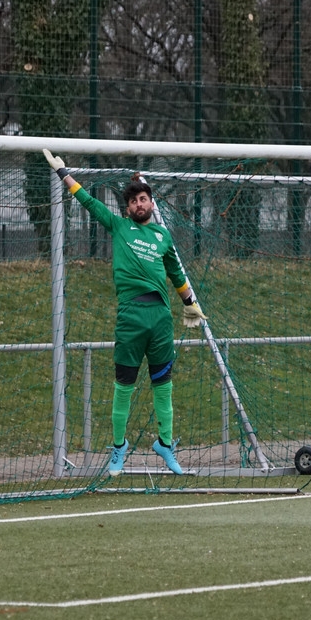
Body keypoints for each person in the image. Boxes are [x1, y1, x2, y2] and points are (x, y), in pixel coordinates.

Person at [43, 149, 207, 477]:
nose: (139, 204)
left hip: (160, 318)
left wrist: (189, 302)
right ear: (127, 208)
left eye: (143, 199)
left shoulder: (163, 236)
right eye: (133, 202)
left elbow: (176, 274)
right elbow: (89, 202)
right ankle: (119, 447)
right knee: (123, 387)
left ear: (151, 203)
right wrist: (64, 174)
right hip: (131, 316)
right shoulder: (119, 227)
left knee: (164, 386)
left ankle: (165, 444)